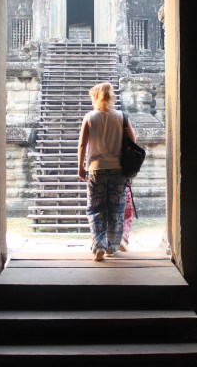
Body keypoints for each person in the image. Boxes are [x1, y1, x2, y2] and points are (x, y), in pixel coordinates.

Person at [77, 82, 136, 262]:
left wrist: (81, 167)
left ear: (96, 97)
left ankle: (98, 246)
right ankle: (111, 246)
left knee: (96, 209)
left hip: (96, 169)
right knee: (115, 210)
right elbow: (133, 141)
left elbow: (82, 145)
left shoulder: (90, 117)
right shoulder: (122, 117)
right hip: (118, 170)